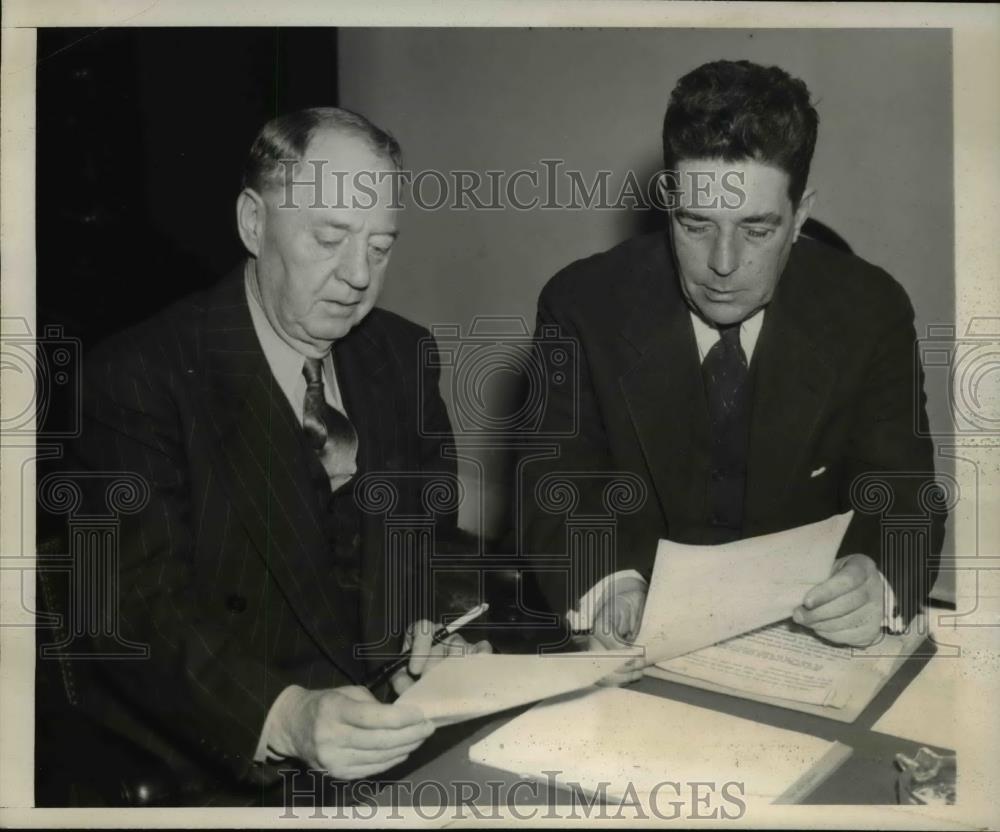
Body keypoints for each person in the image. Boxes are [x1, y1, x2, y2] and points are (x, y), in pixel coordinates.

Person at [69, 107, 488, 803]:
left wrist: (431, 641)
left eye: (380, 247)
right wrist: (286, 714)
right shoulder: (140, 376)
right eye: (330, 238)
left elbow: (429, 540)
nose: (359, 275)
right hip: (231, 758)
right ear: (254, 224)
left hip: (389, 731)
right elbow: (130, 608)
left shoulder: (402, 354)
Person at [521, 60, 945, 677]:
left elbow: (906, 497)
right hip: (635, 646)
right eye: (696, 225)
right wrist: (609, 586)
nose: (723, 263)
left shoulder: (871, 309)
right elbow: (554, 490)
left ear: (800, 217)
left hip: (801, 645)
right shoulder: (582, 305)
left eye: (757, 228)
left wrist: (875, 579)